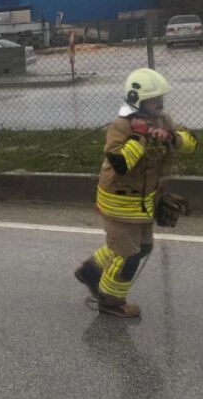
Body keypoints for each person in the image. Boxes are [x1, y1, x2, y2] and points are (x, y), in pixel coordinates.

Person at [74, 68, 196, 318]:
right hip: (119, 202)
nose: (159, 105)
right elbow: (120, 163)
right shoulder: (120, 126)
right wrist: (138, 137)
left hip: (143, 203)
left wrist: (171, 137)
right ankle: (111, 300)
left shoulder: (163, 120)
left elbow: (191, 142)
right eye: (154, 100)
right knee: (128, 255)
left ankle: (92, 270)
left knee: (143, 248)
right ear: (137, 99)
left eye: (160, 99)